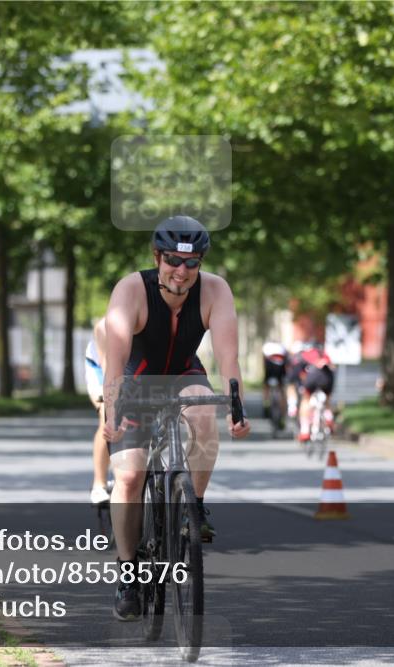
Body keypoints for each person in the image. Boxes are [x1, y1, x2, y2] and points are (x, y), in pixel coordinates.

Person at [102, 215, 251, 621]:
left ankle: (194, 507)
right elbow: (114, 360)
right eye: (172, 260)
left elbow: (228, 357)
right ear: (157, 257)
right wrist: (112, 410)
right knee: (129, 476)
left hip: (184, 373)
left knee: (203, 405)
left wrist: (236, 406)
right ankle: (128, 574)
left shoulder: (215, 290)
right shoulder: (131, 290)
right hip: (136, 380)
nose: (181, 271)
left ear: (201, 263)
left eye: (191, 263)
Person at [85, 317, 112, 505]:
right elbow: (108, 368)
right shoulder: (105, 328)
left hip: (132, 369)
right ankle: (99, 484)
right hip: (102, 368)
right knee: (107, 413)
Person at [288, 340, 335, 442]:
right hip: (327, 377)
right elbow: (332, 367)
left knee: (305, 400)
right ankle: (329, 418)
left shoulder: (304, 355)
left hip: (313, 377)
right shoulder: (324, 354)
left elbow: (297, 373)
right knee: (327, 400)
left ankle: (305, 431)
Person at [261, 341, 288, 424]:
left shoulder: (267, 346)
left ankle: (266, 403)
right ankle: (283, 416)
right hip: (280, 366)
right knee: (281, 390)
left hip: (269, 366)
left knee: (266, 385)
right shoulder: (282, 347)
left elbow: (263, 360)